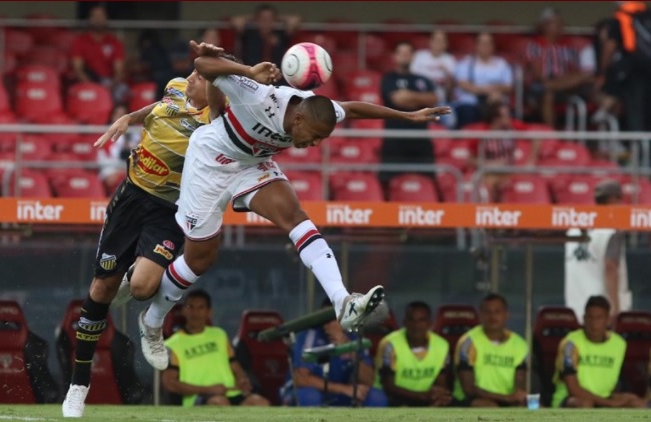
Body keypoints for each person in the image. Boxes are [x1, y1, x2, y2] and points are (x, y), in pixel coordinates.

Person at [136, 41, 451, 372]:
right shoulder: (258, 95)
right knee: (201, 258)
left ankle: (343, 302)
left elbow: (353, 108)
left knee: (296, 218)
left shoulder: (316, 111)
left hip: (252, 163)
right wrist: (247, 71)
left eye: (320, 140)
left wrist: (407, 115)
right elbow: (203, 64)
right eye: (312, 136)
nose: (313, 144)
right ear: (298, 116)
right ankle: (153, 321)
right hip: (211, 160)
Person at [61, 44, 231, 418]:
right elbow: (156, 110)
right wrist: (129, 119)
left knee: (142, 288)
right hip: (130, 198)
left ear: (216, 87)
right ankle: (79, 384)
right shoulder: (174, 87)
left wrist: (227, 72)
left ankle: (147, 317)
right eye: (192, 73)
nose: (190, 78)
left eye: (200, 77)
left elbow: (220, 94)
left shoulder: (215, 118)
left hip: (167, 210)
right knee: (100, 290)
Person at [162, 289, 270, 407]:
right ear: (183, 311)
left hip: (231, 393)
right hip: (198, 397)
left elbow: (233, 364)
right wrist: (207, 389)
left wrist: (242, 379)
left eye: (201, 308)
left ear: (209, 312)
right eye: (191, 307)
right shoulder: (173, 344)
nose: (195, 312)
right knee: (220, 403)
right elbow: (170, 383)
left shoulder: (219, 335)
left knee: (260, 402)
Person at [281, 299, 387, 407]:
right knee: (310, 397)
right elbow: (301, 379)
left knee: (376, 397)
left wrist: (349, 349)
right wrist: (344, 389)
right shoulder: (309, 335)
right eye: (325, 319)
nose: (330, 324)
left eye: (335, 318)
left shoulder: (354, 337)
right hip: (309, 391)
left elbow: (368, 380)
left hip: (341, 393)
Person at [552, 295, 648, 408]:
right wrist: (610, 403)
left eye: (599, 318)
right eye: (590, 317)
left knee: (638, 404)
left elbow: (615, 384)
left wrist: (621, 398)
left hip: (603, 398)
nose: (594, 324)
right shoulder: (570, 344)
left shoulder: (619, 344)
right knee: (584, 405)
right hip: (571, 399)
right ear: (583, 319)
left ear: (608, 320)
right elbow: (573, 389)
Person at [565, 179, 631, 324]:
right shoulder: (611, 229)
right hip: (601, 313)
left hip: (574, 309)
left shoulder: (573, 229)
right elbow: (610, 268)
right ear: (614, 200)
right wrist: (615, 309)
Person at [452, 293, 528, 407]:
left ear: (506, 315)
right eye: (488, 312)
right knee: (489, 407)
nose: (492, 316)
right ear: (480, 315)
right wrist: (506, 398)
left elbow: (520, 387)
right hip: (472, 401)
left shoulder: (520, 344)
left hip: (507, 401)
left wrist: (518, 398)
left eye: (497, 311)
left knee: (535, 409)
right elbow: (469, 390)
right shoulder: (468, 342)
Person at [379, 41, 438, 184]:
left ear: (413, 56)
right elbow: (398, 100)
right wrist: (420, 100)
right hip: (395, 138)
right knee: (389, 181)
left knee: (428, 180)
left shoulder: (423, 80)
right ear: (395, 56)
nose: (405, 56)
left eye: (408, 53)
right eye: (402, 53)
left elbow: (433, 100)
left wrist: (409, 96)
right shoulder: (388, 79)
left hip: (420, 138)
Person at [525, 8, 594, 127]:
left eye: (560, 23)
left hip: (567, 82)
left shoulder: (567, 47)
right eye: (555, 23)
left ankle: (601, 118)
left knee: (587, 80)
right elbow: (538, 75)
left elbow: (576, 71)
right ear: (544, 26)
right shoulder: (535, 45)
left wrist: (569, 79)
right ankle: (552, 135)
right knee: (548, 92)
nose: (560, 26)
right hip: (543, 83)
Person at [375, 301, 451, 407]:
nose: (416, 325)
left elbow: (441, 383)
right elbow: (388, 385)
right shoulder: (390, 344)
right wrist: (422, 396)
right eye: (412, 320)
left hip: (426, 399)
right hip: (395, 399)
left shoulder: (442, 345)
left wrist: (438, 396)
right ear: (404, 322)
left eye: (421, 320)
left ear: (430, 323)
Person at [465, 100, 538, 202]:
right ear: (496, 118)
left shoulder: (512, 126)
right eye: (505, 116)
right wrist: (489, 164)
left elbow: (537, 137)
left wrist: (531, 161)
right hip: (488, 171)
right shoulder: (482, 133)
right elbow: (469, 160)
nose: (509, 118)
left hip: (509, 170)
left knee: (514, 181)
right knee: (488, 183)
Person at [599, 2, 651, 133]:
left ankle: (639, 148)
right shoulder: (647, 15)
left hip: (633, 70)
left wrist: (602, 71)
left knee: (636, 110)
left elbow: (609, 48)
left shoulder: (620, 17)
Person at [70, 4, 129, 104]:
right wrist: (93, 87)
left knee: (123, 90)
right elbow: (78, 70)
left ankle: (115, 117)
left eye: (101, 16)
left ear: (106, 19)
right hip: (88, 81)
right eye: (95, 16)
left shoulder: (114, 42)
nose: (98, 19)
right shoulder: (80, 41)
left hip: (110, 83)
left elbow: (119, 71)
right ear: (89, 19)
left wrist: (111, 87)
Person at [453, 32, 513, 128]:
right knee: (466, 111)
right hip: (471, 103)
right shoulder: (466, 62)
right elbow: (463, 84)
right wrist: (490, 91)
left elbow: (508, 87)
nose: (486, 47)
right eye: (483, 44)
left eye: (488, 43)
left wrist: (493, 92)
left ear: (493, 46)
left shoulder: (501, 64)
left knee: (502, 111)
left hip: (495, 102)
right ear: (477, 46)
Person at [231, 4, 300, 66]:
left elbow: (294, 19)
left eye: (270, 18)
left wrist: (278, 19)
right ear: (257, 19)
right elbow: (237, 20)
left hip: (276, 75)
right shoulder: (250, 33)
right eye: (262, 18)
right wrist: (254, 19)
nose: (266, 21)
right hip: (251, 74)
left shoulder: (280, 34)